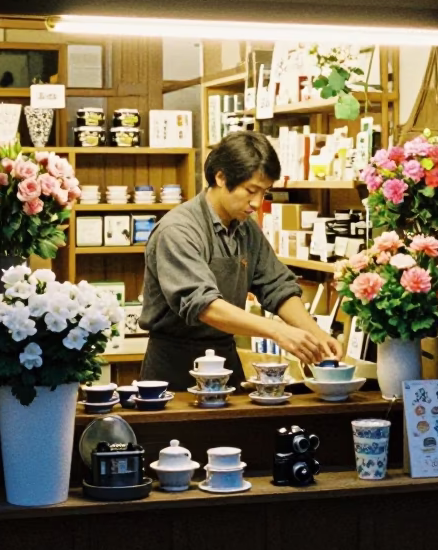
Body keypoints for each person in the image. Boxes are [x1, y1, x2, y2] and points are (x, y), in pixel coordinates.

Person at [139, 131, 343, 390]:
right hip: (174, 364)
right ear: (221, 177)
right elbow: (205, 306)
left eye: (265, 192)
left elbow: (277, 286)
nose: (257, 203)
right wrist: (278, 331)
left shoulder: (246, 228)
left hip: (225, 357)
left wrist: (317, 335)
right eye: (251, 190)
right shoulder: (178, 230)